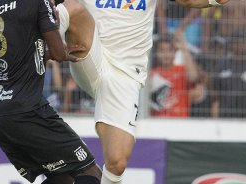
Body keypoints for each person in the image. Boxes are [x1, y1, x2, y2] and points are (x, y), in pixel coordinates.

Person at [53, 0, 230, 183]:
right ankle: (36, 53)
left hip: (126, 74)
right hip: (90, 53)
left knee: (117, 162)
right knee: (72, 8)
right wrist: (54, 42)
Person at [0, 0, 101, 183]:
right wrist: (60, 44)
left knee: (61, 177)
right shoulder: (38, 2)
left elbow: (22, 56)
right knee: (90, 171)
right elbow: (58, 53)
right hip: (27, 110)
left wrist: (47, 48)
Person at [149, 33, 199, 117]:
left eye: (169, 50)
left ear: (175, 52)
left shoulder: (182, 70)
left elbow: (193, 77)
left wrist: (184, 49)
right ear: (157, 53)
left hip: (180, 123)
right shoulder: (152, 74)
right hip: (157, 123)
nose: (166, 54)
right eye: (162, 50)